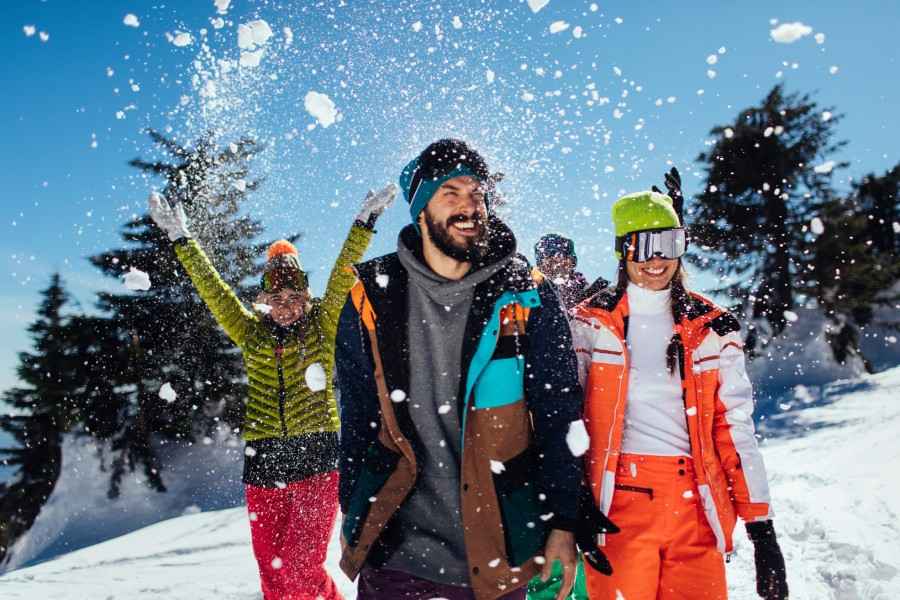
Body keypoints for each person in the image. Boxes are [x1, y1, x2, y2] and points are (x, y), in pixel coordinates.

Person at [335, 138, 593, 600]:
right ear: (420, 209)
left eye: (477, 193)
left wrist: (565, 520)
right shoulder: (369, 296)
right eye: (449, 193)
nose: (469, 206)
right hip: (395, 558)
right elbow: (358, 419)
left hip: (501, 547)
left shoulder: (528, 293)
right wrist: (355, 513)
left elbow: (559, 413)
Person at [148, 184, 397, 600]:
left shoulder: (321, 329)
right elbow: (214, 291)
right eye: (276, 298)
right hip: (263, 464)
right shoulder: (251, 335)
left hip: (315, 460)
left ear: (305, 297)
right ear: (264, 302)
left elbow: (342, 275)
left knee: (300, 572)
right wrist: (180, 238)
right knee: (274, 580)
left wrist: (363, 222)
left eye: (294, 296)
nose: (286, 305)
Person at [569, 188, 789, 599]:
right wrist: (573, 501)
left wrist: (762, 530)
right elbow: (567, 420)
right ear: (623, 250)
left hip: (695, 505)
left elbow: (733, 426)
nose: (657, 259)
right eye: (644, 245)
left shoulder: (712, 328)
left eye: (669, 243)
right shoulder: (589, 325)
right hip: (617, 503)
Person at [533, 234, 608, 309]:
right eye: (551, 262)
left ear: (573, 262)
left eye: (563, 259)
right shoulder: (531, 296)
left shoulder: (596, 297)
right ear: (541, 268)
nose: (558, 265)